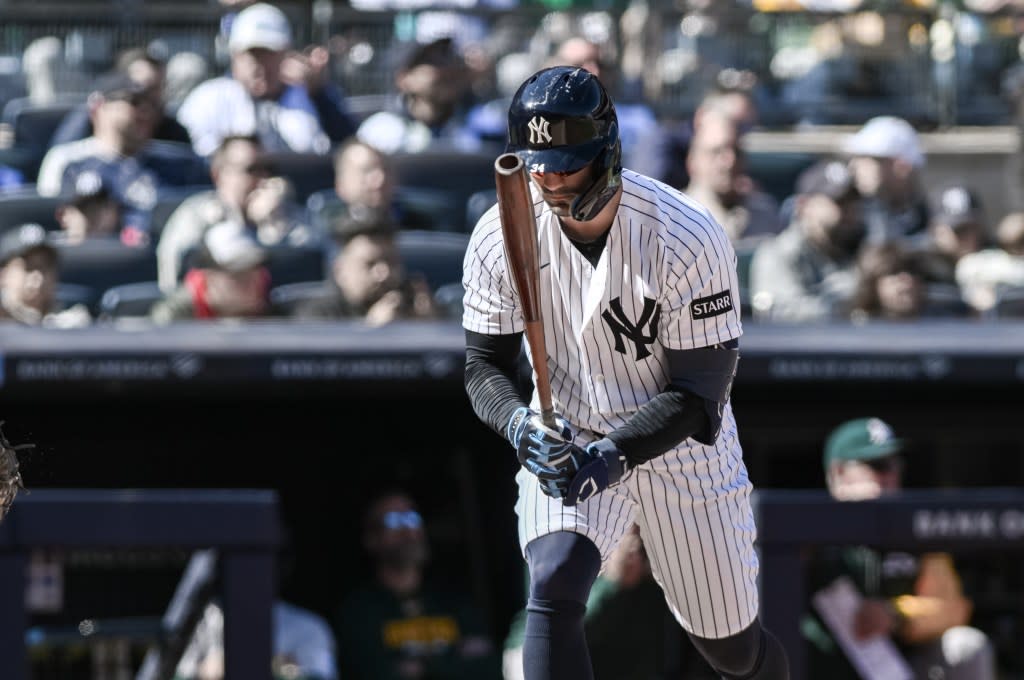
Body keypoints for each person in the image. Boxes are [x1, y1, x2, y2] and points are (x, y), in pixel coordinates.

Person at [461, 65, 789, 680]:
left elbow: (698, 394)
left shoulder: (686, 233)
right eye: (538, 164)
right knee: (554, 584)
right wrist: (518, 425)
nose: (549, 180)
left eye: (566, 163)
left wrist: (613, 458)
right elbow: (483, 366)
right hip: (569, 424)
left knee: (731, 649)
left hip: (681, 448)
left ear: (606, 153)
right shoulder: (498, 233)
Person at [803, 416, 997, 680]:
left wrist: (895, 614)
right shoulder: (806, 533)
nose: (890, 475)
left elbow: (952, 607)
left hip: (898, 668)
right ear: (838, 473)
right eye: (877, 465)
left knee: (966, 645)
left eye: (895, 464)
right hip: (826, 666)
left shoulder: (917, 533)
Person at [333, 488, 502, 680]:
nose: (409, 530)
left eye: (412, 517)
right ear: (371, 539)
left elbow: (489, 668)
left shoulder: (453, 601)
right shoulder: (359, 611)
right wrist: (453, 659)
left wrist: (419, 667)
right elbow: (372, 673)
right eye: (394, 521)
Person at [177, 2, 358, 157]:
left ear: (286, 54)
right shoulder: (209, 98)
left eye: (269, 54)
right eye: (252, 55)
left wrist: (319, 94)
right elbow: (189, 161)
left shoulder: (309, 95)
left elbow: (348, 148)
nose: (260, 66)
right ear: (234, 56)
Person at [156, 134, 316, 293]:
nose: (263, 179)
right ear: (218, 175)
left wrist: (273, 224)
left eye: (269, 169)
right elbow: (173, 278)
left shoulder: (284, 212)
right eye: (251, 170)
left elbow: (311, 266)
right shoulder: (196, 215)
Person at [748, 158, 866, 322]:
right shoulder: (778, 254)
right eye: (839, 203)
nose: (849, 212)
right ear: (804, 206)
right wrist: (848, 307)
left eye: (853, 203)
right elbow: (780, 314)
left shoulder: (863, 247)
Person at [291, 210, 439, 326]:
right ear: (340, 271)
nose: (384, 273)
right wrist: (370, 333)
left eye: (392, 262)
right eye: (370, 264)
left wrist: (431, 328)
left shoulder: (417, 306)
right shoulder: (316, 316)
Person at [49, 45, 192, 147]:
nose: (147, 101)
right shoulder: (87, 121)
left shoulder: (171, 128)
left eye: (157, 88)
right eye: (141, 88)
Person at [356, 37, 480, 155]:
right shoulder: (381, 132)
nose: (446, 69)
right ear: (404, 78)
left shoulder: (477, 126)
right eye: (433, 62)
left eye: (449, 58)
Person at [683, 109, 781, 244]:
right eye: (717, 151)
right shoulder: (679, 218)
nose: (730, 161)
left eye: (736, 151)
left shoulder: (764, 214)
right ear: (693, 161)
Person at [150, 221, 277, 323]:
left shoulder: (280, 316)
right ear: (208, 277)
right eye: (238, 275)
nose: (252, 284)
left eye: (256, 272)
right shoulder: (172, 319)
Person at [841, 116, 931, 246]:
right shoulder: (849, 218)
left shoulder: (934, 221)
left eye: (868, 158)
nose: (853, 166)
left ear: (901, 166)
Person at [0, 223, 91, 327]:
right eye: (28, 267)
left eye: (46, 267)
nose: (38, 276)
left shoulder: (72, 320)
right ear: (3, 275)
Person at [53, 169, 122, 244]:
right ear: (64, 216)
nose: (93, 217)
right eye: (84, 210)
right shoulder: (52, 250)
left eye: (97, 209)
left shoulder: (126, 247)